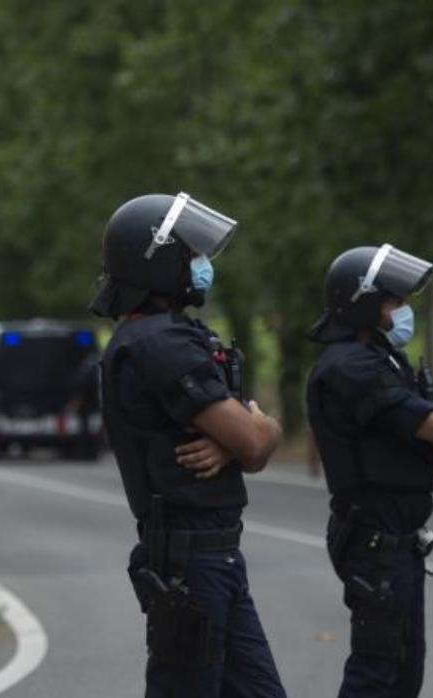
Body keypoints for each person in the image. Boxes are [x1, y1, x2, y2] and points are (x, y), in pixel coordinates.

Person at [89, 192, 286, 697]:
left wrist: (241, 438)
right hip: (190, 565)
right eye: (190, 252)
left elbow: (259, 435)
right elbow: (255, 440)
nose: (200, 265)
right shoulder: (159, 344)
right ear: (157, 258)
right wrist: (244, 436)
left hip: (215, 558)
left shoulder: (171, 336)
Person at [305, 244, 433, 698]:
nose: (404, 311)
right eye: (395, 301)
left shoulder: (376, 360)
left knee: (403, 671)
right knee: (377, 671)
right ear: (365, 303)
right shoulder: (352, 367)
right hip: (376, 540)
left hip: (396, 540)